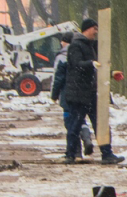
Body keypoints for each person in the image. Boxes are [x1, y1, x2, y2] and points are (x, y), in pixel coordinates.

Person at [51, 18, 121, 164]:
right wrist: (91, 63)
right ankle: (70, 155)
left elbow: (98, 67)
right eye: (94, 29)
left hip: (91, 92)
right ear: (87, 29)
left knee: (100, 124)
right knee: (75, 125)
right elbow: (77, 65)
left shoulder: (92, 46)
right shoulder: (75, 46)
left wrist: (111, 72)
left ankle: (107, 153)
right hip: (78, 94)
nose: (96, 32)